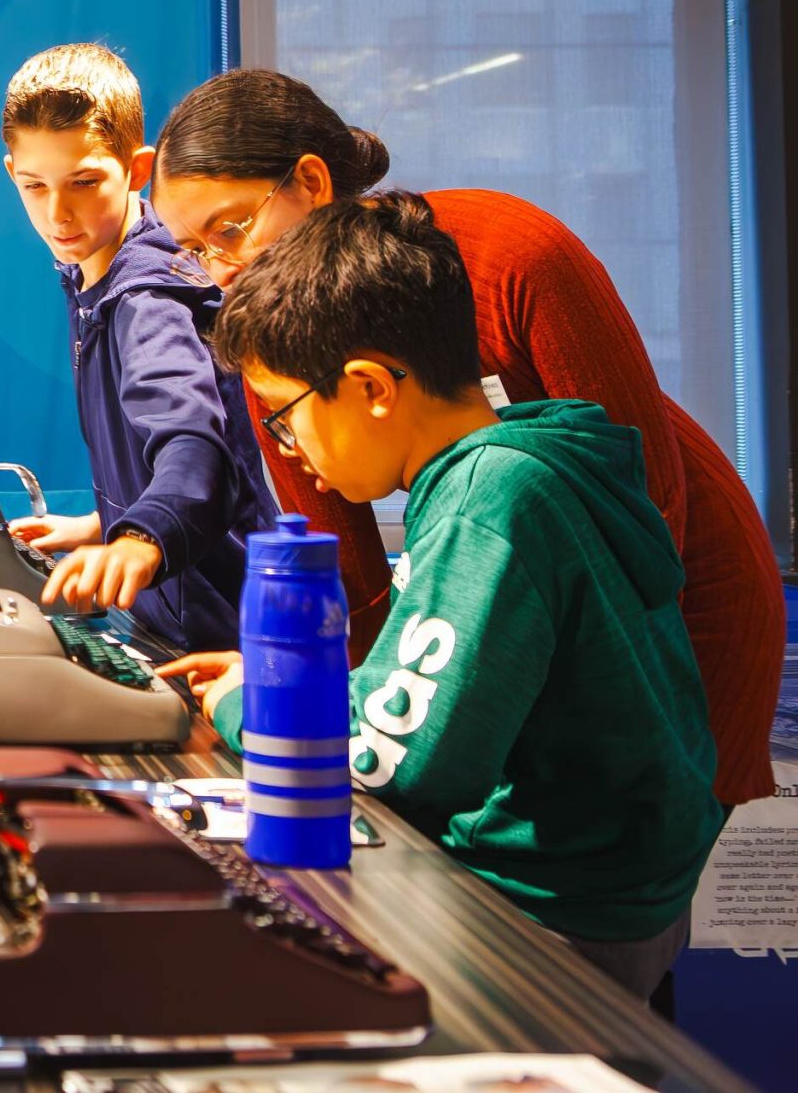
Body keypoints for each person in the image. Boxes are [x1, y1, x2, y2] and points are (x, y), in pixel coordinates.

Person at [149, 67, 782, 805]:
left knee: (624, 850)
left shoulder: (512, 255)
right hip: (503, 633)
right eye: (194, 250)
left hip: (677, 587)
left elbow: (647, 504)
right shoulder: (272, 345)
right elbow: (345, 578)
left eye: (229, 228)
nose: (221, 269)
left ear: (313, 182)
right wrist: (328, 709)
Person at [161, 194, 723, 1001]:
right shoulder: (524, 458)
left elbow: (395, 765)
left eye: (286, 418)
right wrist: (289, 683)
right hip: (626, 898)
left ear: (369, 387)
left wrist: (252, 705)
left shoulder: (488, 503)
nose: (291, 449)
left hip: (553, 914)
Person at [0, 46, 276, 653]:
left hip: (224, 635)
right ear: (10, 172)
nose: (57, 212)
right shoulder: (90, 273)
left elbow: (196, 448)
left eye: (85, 182)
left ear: (139, 167)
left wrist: (140, 538)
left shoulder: (146, 299)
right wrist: (102, 523)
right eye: (34, 185)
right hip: (177, 614)